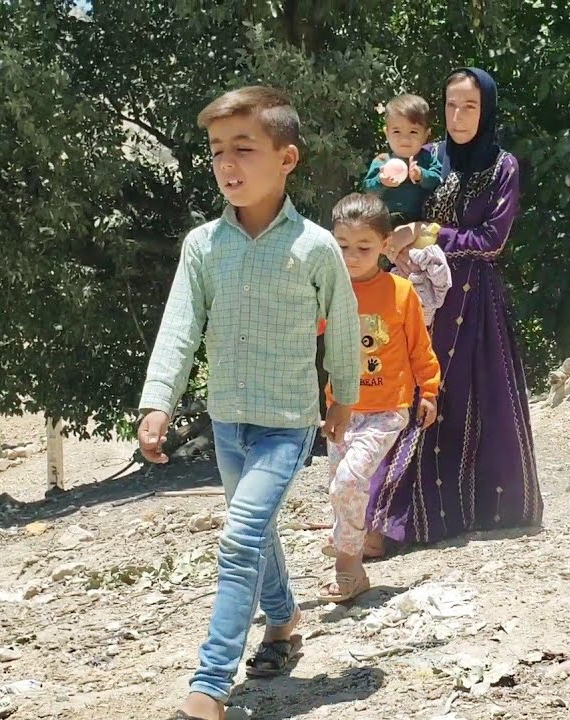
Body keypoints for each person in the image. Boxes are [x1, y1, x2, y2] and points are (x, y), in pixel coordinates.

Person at [136, 86, 360, 720]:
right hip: (226, 420)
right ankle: (284, 620)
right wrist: (159, 400)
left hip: (286, 425)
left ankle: (208, 686)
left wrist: (344, 394)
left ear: (286, 158)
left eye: (244, 148)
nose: (227, 164)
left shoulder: (316, 247)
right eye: (216, 151)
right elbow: (180, 325)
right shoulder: (203, 245)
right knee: (255, 534)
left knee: (238, 537)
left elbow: (343, 325)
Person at [364, 67, 543, 552]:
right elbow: (392, 204)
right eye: (451, 105)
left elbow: (492, 240)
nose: (459, 116)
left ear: (486, 110)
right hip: (420, 297)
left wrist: (429, 232)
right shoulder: (428, 156)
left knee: (465, 402)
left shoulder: (503, 166)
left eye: (470, 106)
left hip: (475, 303)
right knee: (411, 395)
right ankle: (383, 517)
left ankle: (459, 514)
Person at [318, 192, 441, 604]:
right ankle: (353, 558)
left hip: (387, 410)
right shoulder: (329, 293)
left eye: (364, 248)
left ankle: (347, 565)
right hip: (341, 412)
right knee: (341, 486)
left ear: (386, 245)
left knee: (348, 483)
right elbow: (299, 336)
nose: (352, 257)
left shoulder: (402, 293)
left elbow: (420, 349)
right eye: (342, 247)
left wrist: (429, 391)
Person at [362, 93, 443, 224]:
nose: (405, 139)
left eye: (413, 132)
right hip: (385, 222)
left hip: (419, 222)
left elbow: (438, 181)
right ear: (387, 133)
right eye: (396, 131)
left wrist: (421, 175)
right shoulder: (382, 161)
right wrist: (381, 181)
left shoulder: (427, 158)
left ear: (426, 135)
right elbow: (368, 188)